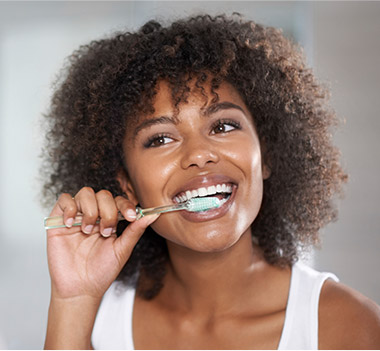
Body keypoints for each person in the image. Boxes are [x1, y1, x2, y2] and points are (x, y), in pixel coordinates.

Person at [42, 14, 380, 349]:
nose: (199, 154)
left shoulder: (347, 326)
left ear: (267, 155)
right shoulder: (96, 312)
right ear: (128, 185)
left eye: (222, 126)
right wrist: (73, 302)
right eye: (160, 139)